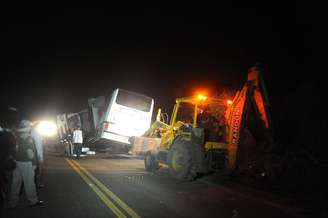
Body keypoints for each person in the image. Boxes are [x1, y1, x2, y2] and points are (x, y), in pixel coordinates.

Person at [9, 120, 43, 208]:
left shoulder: (16, 136)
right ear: (27, 128)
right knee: (29, 183)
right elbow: (30, 152)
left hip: (17, 161)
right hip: (26, 162)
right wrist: (34, 164)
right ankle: (33, 201)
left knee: (15, 183)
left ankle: (13, 202)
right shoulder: (28, 137)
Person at [31, 122, 44, 188]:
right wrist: (39, 156)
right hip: (37, 154)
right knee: (39, 170)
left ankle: (36, 183)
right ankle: (37, 184)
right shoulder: (36, 132)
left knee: (36, 170)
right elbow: (38, 145)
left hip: (35, 153)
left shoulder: (33, 131)